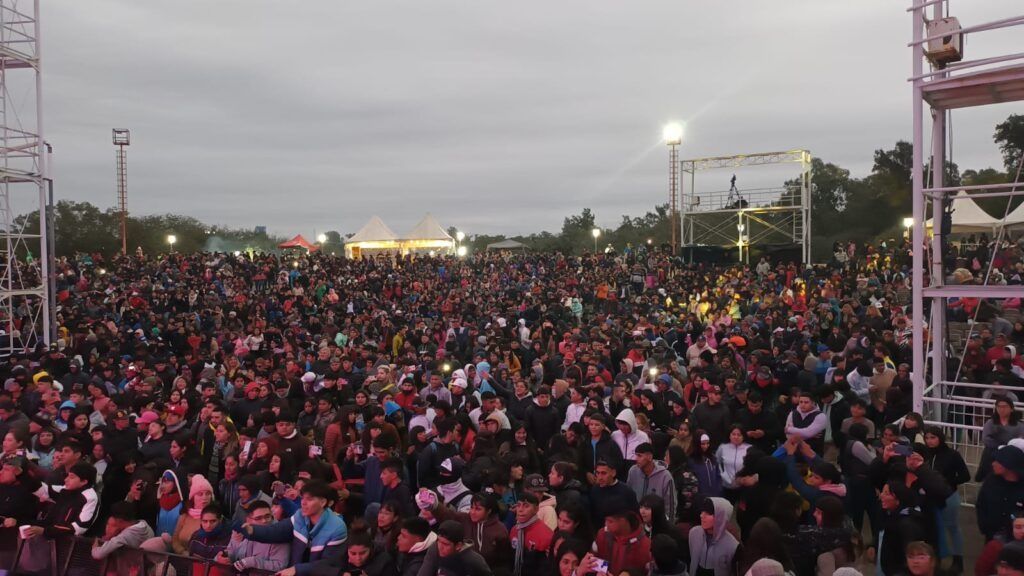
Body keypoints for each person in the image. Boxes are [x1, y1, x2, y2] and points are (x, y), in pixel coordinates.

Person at [238, 480, 348, 576]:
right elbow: (276, 531)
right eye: (303, 498)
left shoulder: (337, 528)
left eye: (309, 499)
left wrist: (297, 569)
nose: (303, 503)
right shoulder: (299, 516)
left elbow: (327, 564)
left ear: (323, 502)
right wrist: (253, 530)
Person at [216, 499, 290, 573]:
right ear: (248, 520)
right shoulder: (242, 530)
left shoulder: (279, 534)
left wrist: (253, 562)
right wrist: (222, 557)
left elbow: (280, 566)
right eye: (258, 518)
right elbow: (232, 552)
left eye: (267, 517)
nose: (264, 521)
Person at [91, 501, 156, 575]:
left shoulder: (124, 537)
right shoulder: (146, 526)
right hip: (146, 570)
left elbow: (98, 554)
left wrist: (95, 547)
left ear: (120, 521)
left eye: (114, 522)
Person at [978, 445, 1024, 541]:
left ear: (1008, 465)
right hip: (992, 536)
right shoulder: (990, 481)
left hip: (1017, 540)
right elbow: (981, 504)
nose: (993, 464)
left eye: (998, 461)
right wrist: (985, 528)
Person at [688, 497, 738, 576]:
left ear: (720, 517)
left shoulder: (732, 546)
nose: (702, 515)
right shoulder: (694, 533)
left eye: (708, 513)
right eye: (702, 511)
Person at [625, 442, 676, 521]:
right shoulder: (633, 471)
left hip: (657, 520)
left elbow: (670, 504)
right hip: (636, 519)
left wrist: (669, 524)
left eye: (639, 456)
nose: (636, 459)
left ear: (649, 457)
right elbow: (628, 495)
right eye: (636, 455)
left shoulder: (665, 476)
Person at [590, 510, 651, 575]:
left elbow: (645, 571)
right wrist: (600, 572)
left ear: (623, 521)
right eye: (605, 520)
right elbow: (594, 559)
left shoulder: (645, 545)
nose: (606, 524)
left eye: (610, 521)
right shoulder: (602, 535)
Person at [511, 491, 553, 576]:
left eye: (526, 506)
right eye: (518, 505)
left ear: (536, 509)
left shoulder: (546, 534)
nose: (520, 510)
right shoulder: (514, 530)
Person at [589, 459, 638, 528]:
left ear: (613, 473)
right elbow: (592, 516)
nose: (600, 477)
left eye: (603, 473)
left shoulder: (626, 492)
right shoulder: (595, 490)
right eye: (597, 473)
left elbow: (635, 517)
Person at [188, 504, 232, 576]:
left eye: (213, 521)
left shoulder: (230, 539)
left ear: (220, 520)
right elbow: (191, 564)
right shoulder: (195, 537)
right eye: (205, 521)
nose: (208, 525)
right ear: (201, 521)